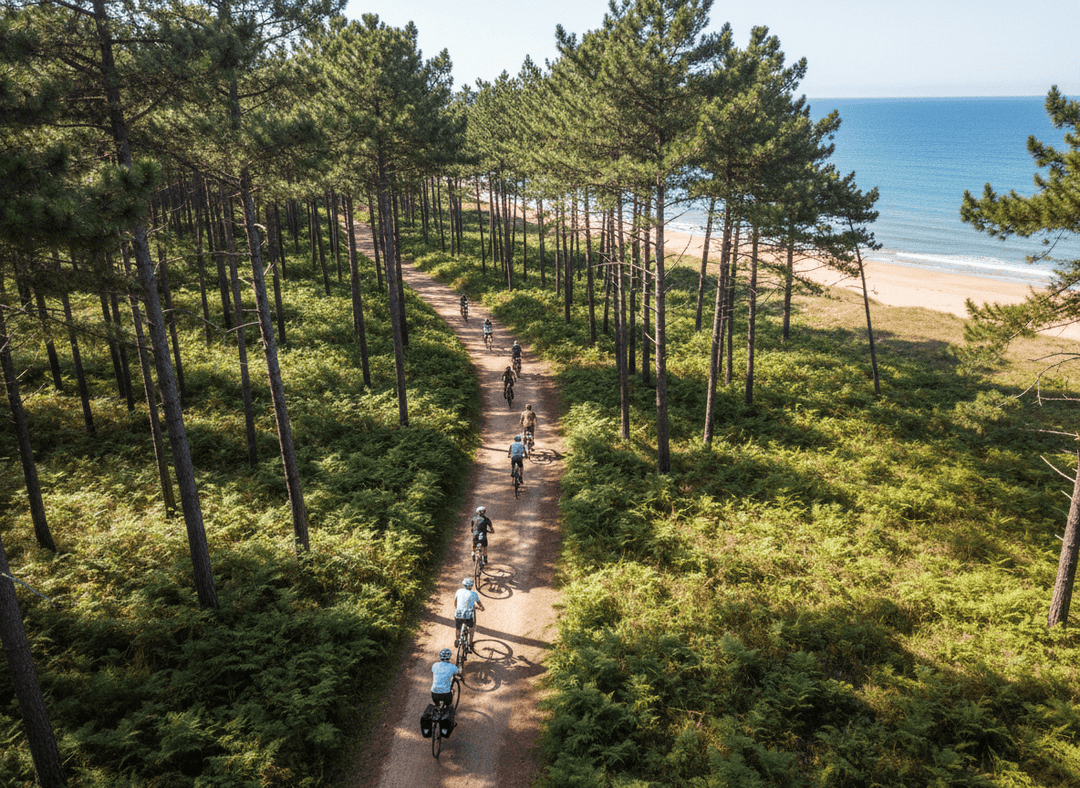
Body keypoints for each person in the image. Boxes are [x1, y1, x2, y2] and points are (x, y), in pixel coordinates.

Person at [454, 578, 482, 651]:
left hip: (458, 613)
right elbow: (479, 603)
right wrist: (482, 608)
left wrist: (457, 608)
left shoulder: (459, 591)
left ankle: (457, 640)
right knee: (471, 627)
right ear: (471, 585)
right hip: (467, 615)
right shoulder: (473, 594)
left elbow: (455, 602)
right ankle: (470, 642)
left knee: (458, 628)